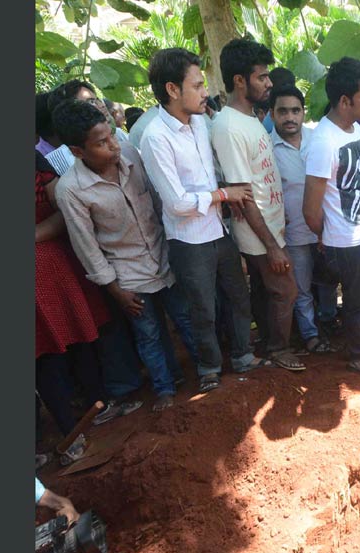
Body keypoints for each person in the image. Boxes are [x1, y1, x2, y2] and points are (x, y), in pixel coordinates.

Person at [53, 99, 200, 413]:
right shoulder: (72, 190)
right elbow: (86, 246)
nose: (113, 146)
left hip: (164, 256)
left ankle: (206, 373)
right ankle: (165, 390)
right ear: (77, 151)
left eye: (112, 136)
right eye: (102, 143)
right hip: (128, 275)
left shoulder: (132, 156)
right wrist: (114, 288)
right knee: (149, 336)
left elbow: (160, 202)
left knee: (186, 319)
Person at [141, 48, 265, 393]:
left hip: (217, 230)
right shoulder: (155, 138)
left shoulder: (200, 122)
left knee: (238, 296)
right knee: (203, 308)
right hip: (188, 239)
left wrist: (224, 193)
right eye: (197, 85)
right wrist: (225, 195)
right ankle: (209, 367)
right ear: (172, 90)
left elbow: (216, 170)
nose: (205, 91)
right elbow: (178, 202)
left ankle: (242, 356)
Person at [212, 39, 305, 372]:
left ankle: (270, 342)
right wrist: (272, 246)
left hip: (269, 225)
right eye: (262, 77)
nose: (269, 83)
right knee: (285, 289)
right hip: (257, 232)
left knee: (270, 292)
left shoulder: (250, 118)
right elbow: (241, 193)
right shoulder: (228, 126)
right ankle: (278, 349)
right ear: (240, 80)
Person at [303, 57, 360, 383]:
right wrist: (327, 236)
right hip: (344, 239)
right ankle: (358, 355)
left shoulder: (352, 128)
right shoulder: (323, 142)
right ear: (344, 101)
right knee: (355, 302)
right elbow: (310, 209)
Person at [35, 149, 114, 460]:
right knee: (42, 356)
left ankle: (97, 406)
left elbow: (61, 212)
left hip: (55, 270)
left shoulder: (35, 164)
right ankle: (67, 432)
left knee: (80, 338)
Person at [269, 85, 339, 355]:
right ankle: (310, 334)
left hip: (326, 228)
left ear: (303, 112)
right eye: (283, 111)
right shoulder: (268, 150)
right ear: (272, 114)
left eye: (295, 110)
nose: (290, 117)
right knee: (301, 288)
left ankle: (329, 321)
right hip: (294, 234)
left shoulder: (317, 140)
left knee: (330, 281)